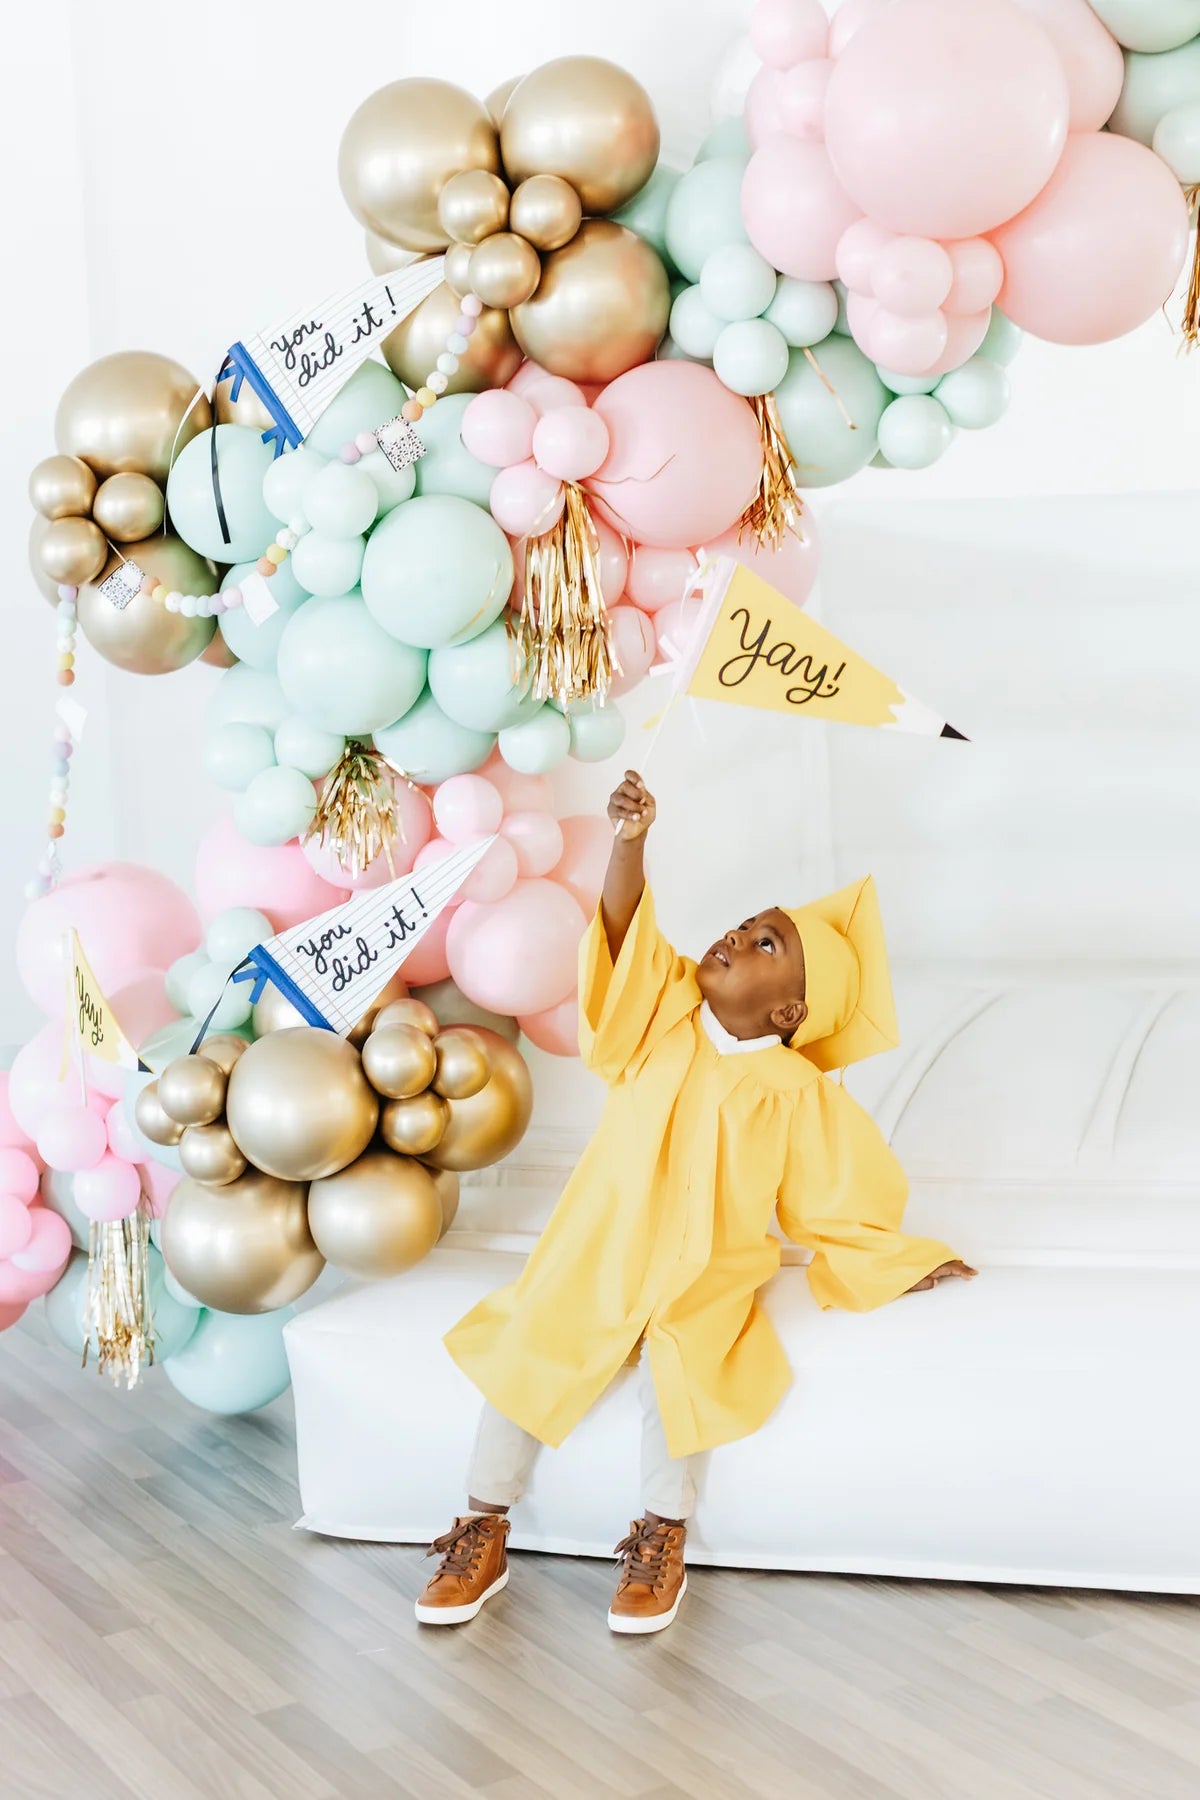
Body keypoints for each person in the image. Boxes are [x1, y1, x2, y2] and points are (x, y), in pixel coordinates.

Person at [416, 772, 975, 1634]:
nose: (738, 936)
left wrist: (898, 1260)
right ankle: (481, 1527)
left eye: (765, 945)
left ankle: (660, 1536)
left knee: (684, 1375)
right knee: (532, 1342)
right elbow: (623, 933)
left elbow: (832, 1196)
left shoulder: (797, 1092)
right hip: (602, 1245)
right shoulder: (661, 1019)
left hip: (707, 1267)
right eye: (748, 924)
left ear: (789, 1010)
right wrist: (630, 843)